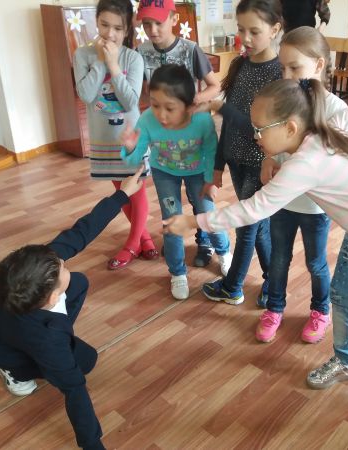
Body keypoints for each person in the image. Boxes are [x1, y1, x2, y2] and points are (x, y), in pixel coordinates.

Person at [164, 78, 348, 384]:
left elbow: (252, 210)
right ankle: (346, 362)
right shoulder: (317, 137)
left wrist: (193, 222)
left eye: (260, 129)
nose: (255, 136)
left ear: (290, 128)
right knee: (340, 294)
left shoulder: (304, 163)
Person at [0, 166, 146, 450]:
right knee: (85, 362)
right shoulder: (47, 339)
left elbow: (80, 233)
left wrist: (122, 195)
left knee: (80, 282)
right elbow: (74, 391)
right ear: (52, 298)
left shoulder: (29, 271)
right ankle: (12, 372)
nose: (64, 261)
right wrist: (92, 445)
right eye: (62, 266)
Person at [255, 26, 347, 343]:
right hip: (284, 200)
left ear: (319, 65)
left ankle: (321, 311)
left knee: (316, 262)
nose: (287, 75)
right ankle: (274, 308)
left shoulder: (335, 109)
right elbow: (271, 137)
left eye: (294, 67)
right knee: (279, 259)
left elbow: (339, 162)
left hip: (315, 207)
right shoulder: (283, 101)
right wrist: (269, 159)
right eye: (283, 68)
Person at [120, 64, 232, 300]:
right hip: (165, 173)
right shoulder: (147, 120)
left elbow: (211, 149)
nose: (161, 115)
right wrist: (130, 148)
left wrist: (211, 179)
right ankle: (177, 272)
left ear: (189, 105)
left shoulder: (201, 119)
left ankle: (224, 253)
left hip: (198, 172)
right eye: (155, 105)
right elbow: (135, 158)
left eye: (169, 108)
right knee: (171, 219)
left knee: (207, 212)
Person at [198, 0, 283, 306]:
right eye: (241, 29)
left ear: (274, 30)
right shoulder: (241, 65)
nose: (245, 38)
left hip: (261, 165)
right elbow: (229, 126)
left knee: (248, 227)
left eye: (254, 31)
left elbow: (262, 131)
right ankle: (274, 283)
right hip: (236, 161)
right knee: (258, 228)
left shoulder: (279, 74)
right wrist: (218, 165)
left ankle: (232, 287)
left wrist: (222, 108)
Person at [136, 0, 222, 268]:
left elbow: (214, 86)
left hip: (193, 135)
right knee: (170, 201)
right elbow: (143, 93)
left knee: (200, 200)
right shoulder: (140, 52)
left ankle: (205, 241)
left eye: (158, 23)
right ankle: (175, 239)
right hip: (165, 139)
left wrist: (191, 103)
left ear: (173, 19)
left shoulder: (190, 49)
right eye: (146, 24)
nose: (152, 30)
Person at [74, 0, 159, 270]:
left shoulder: (133, 58)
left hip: (130, 138)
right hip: (103, 140)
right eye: (104, 25)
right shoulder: (82, 54)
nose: (110, 34)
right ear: (96, 22)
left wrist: (113, 65)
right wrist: (101, 62)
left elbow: (130, 101)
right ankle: (144, 238)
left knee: (136, 189)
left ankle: (132, 245)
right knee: (121, 191)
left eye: (118, 28)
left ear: (127, 29)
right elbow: (86, 95)